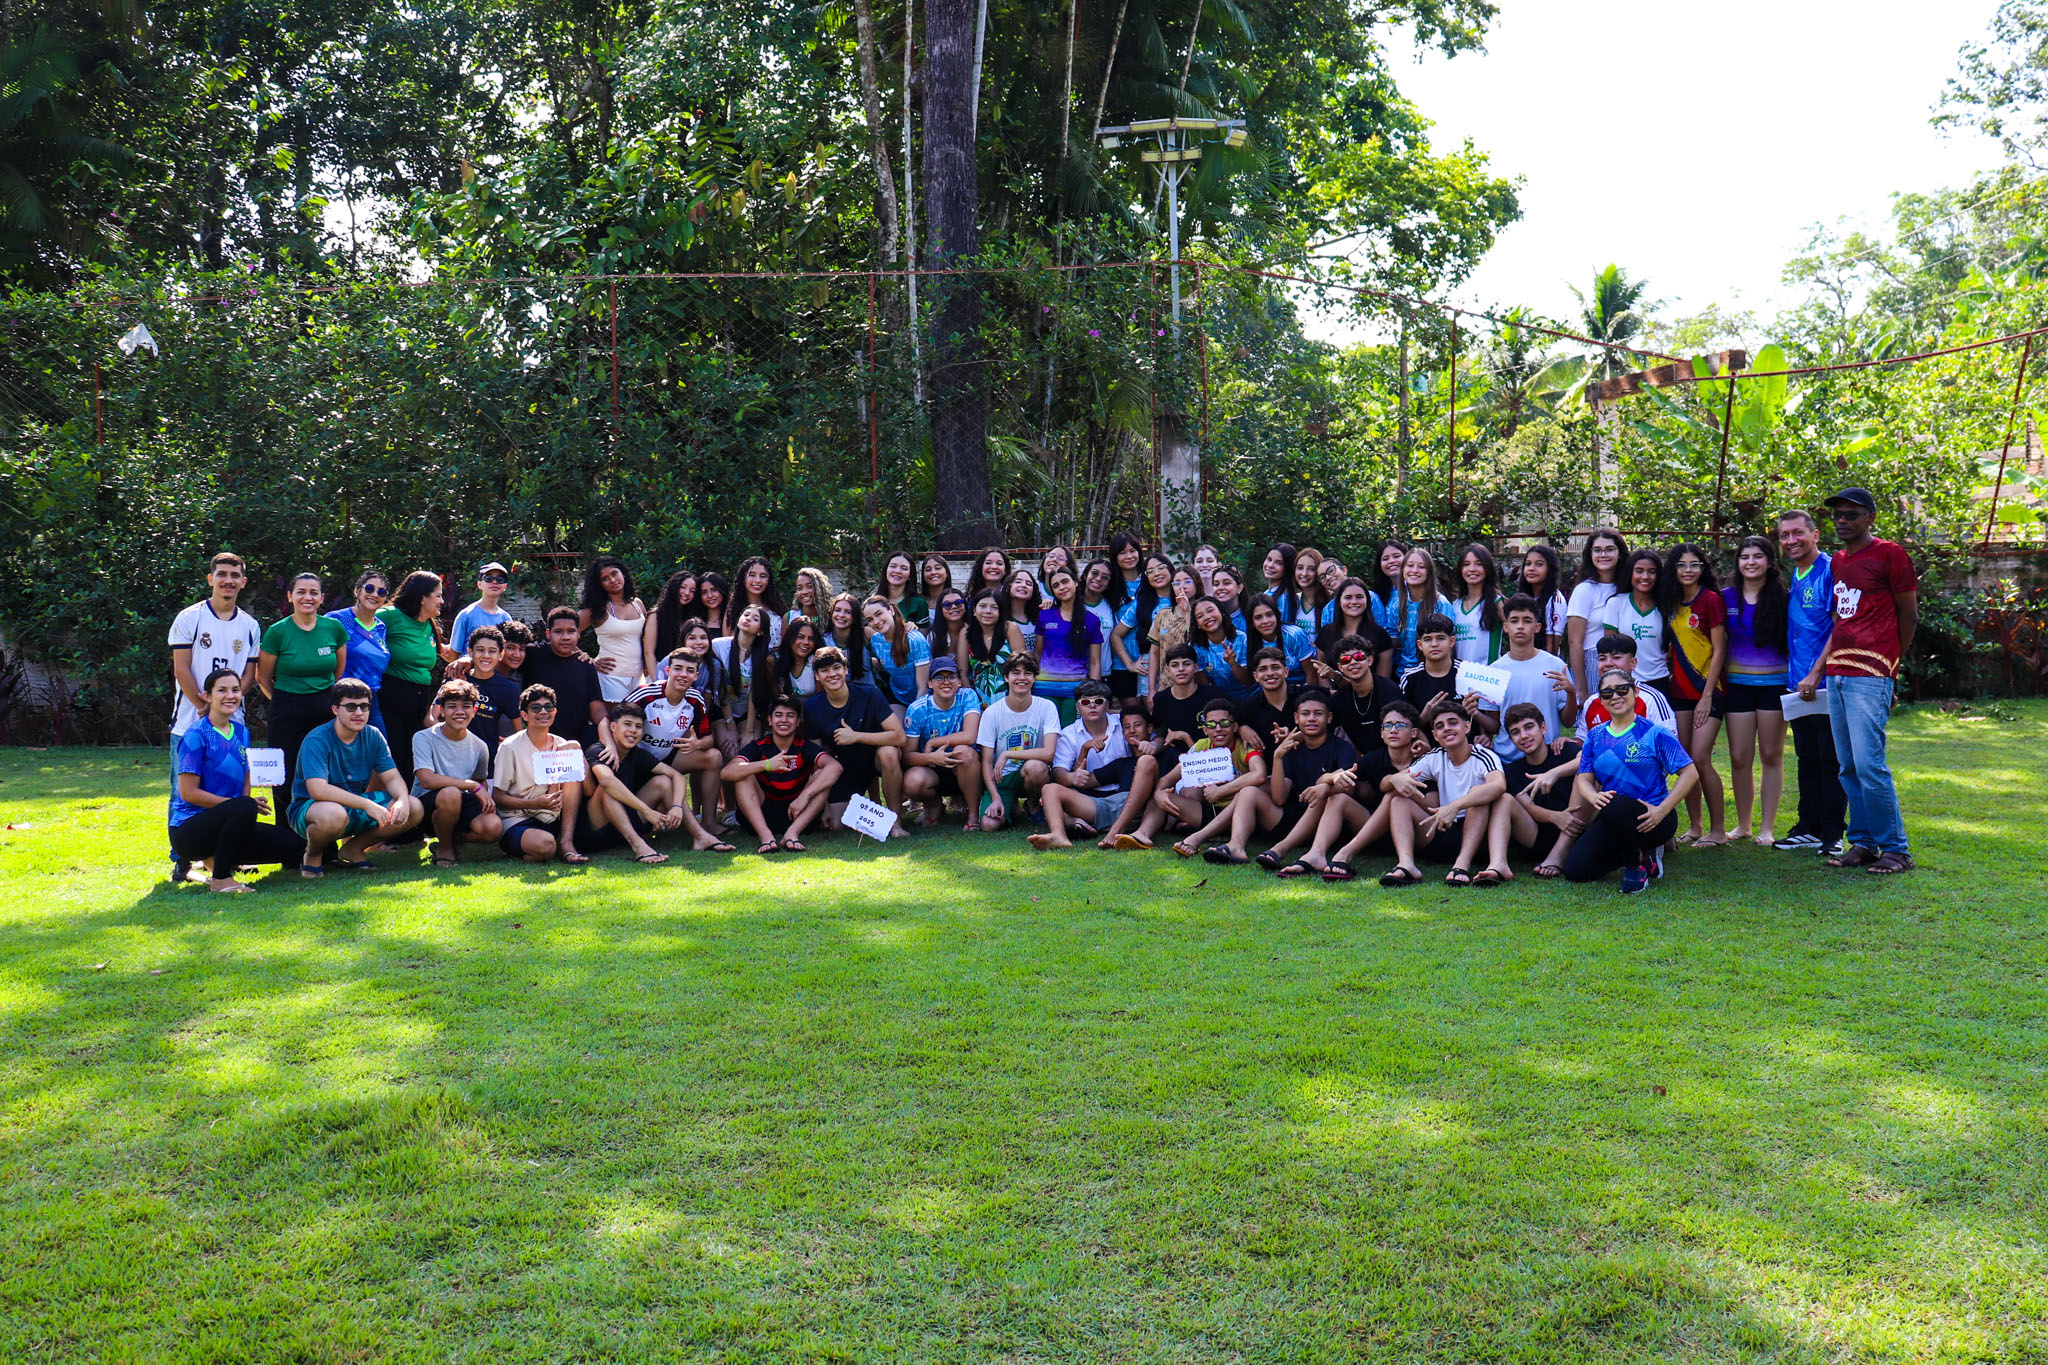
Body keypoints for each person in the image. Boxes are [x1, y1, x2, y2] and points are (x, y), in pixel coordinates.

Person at [1813, 487, 1919, 874]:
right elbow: (1842, 616)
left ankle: (1896, 850)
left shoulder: (1891, 554)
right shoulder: (1838, 561)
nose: (1842, 521)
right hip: (1838, 673)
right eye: (1837, 515)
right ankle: (1864, 842)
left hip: (1871, 674)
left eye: (1851, 514)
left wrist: (1890, 665)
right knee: (1847, 767)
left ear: (1870, 518)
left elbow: (1909, 615)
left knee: (1870, 764)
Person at [167, 668, 305, 891]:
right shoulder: (195, 736)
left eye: (235, 690)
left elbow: (246, 776)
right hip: (189, 831)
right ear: (207, 696)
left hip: (228, 821)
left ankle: (217, 858)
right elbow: (189, 793)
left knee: (294, 844)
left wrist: (243, 809)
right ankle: (221, 878)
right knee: (243, 805)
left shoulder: (242, 732)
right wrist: (239, 806)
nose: (230, 696)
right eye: (222, 690)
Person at [1564, 671, 1700, 892]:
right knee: (1576, 870)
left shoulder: (1655, 733)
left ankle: (1635, 868)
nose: (1615, 696)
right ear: (1601, 700)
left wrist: (1662, 810)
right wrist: (1593, 796)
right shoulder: (1595, 736)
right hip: (1613, 816)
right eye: (1607, 693)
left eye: (1622, 689)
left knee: (1615, 803)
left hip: (1654, 817)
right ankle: (1640, 854)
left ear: (1635, 691)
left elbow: (1690, 773)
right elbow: (1584, 777)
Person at [288, 678, 425, 875]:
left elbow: (392, 777)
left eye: (364, 706)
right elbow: (318, 790)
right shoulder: (317, 739)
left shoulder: (373, 735)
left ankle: (353, 849)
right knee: (334, 815)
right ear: (335, 709)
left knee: (414, 807)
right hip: (311, 808)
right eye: (351, 707)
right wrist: (367, 805)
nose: (359, 713)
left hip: (354, 804)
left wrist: (402, 799)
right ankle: (313, 855)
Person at [1208, 686, 1354, 868]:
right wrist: (1278, 756)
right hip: (1292, 820)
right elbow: (1279, 798)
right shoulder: (1291, 749)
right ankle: (1236, 846)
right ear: (1296, 718)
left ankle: (1281, 849)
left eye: (1318, 714)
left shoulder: (1341, 747)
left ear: (1329, 718)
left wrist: (1324, 783)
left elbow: (1347, 786)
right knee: (1248, 791)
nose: (1311, 719)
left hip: (1325, 824)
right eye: (1305, 714)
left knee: (1323, 794)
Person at [1774, 509, 1847, 855]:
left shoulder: (1830, 570)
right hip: (1798, 685)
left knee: (1830, 760)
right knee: (1807, 758)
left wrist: (1817, 671)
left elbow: (1840, 625)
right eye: (1784, 535)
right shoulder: (1796, 573)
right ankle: (1809, 827)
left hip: (1825, 683)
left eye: (1797, 533)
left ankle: (1833, 834)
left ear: (1815, 535)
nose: (1791, 540)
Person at [576, 703, 734, 862]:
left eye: (638, 726)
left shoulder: (638, 755)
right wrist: (646, 811)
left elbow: (676, 776)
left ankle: (700, 836)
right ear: (613, 727)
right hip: (593, 830)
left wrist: (676, 806)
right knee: (608, 789)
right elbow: (607, 781)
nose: (633, 730)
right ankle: (639, 847)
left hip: (624, 825)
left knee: (663, 782)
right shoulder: (598, 750)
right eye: (627, 724)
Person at [1289, 700, 1428, 880]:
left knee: (1395, 796)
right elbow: (1339, 777)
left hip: (1415, 834)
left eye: (1400, 725)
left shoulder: (1425, 761)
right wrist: (1326, 782)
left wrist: (1404, 788)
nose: (1393, 730)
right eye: (1387, 726)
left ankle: (1346, 853)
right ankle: (1316, 854)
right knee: (1338, 797)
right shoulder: (1374, 758)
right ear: (1382, 732)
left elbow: (1433, 805)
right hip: (1377, 833)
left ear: (1414, 732)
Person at [1380, 696, 1509, 888]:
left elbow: (1499, 785)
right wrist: (1394, 779)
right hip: (1439, 830)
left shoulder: (1483, 755)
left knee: (1479, 795)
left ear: (1466, 727)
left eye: (1453, 722)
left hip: (1476, 837)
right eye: (1440, 726)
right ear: (1434, 735)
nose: (1446, 728)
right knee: (1399, 800)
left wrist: (1455, 806)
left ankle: (1461, 865)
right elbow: (1384, 785)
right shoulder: (1434, 757)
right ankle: (1406, 864)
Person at [257, 572, 349, 811]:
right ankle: (285, 830)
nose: (307, 597)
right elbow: (262, 677)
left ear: (322, 598)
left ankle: (324, 828)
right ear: (290, 596)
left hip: (324, 708)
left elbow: (338, 671)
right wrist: (281, 701)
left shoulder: (334, 628)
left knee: (325, 771)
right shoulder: (277, 631)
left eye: (313, 593)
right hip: (286, 710)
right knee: (285, 775)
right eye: (301, 592)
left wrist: (322, 698)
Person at [1721, 536, 1790, 844]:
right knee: (1739, 757)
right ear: (1738, 562)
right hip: (1737, 686)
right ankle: (1744, 825)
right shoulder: (1725, 598)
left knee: (1771, 754)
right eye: (1745, 556)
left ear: (1769, 561)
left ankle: (1767, 828)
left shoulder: (1784, 598)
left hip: (1775, 685)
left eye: (1758, 556)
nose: (1751, 562)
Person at [1662, 543, 1729, 847]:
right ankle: (1696, 826)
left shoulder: (1711, 600)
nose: (1687, 570)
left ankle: (1718, 830)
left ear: (1703, 568)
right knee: (1684, 761)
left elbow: (1720, 650)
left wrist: (1707, 695)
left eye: (1694, 564)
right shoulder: (1671, 602)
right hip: (1679, 692)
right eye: (1681, 565)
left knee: (1701, 758)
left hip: (1709, 692)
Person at [804, 646, 907, 834]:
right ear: (817, 676)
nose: (832, 674)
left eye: (836, 668)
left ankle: (895, 822)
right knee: (836, 825)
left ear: (845, 670)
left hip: (876, 758)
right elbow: (818, 761)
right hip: (848, 766)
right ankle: (873, 812)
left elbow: (899, 736)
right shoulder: (812, 707)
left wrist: (856, 736)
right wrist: (824, 805)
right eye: (825, 670)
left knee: (889, 752)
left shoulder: (869, 694)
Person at [1146, 699, 1266, 857]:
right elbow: (1168, 779)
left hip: (1240, 815)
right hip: (1210, 812)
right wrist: (1159, 793)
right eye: (1211, 725)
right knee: (1158, 796)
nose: (1218, 729)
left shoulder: (1244, 745)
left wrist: (1220, 791)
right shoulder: (1201, 746)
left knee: (1247, 792)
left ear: (1235, 727)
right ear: (1205, 730)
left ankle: (1197, 838)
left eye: (1224, 723)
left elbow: (1260, 774)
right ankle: (1141, 835)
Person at [1028, 680, 1139, 850]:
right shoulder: (1068, 734)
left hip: (1125, 794)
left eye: (1098, 701)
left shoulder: (1124, 724)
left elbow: (1150, 740)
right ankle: (1059, 835)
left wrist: (1152, 744)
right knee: (1049, 790)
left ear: (1107, 705)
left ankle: (1077, 823)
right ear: (1078, 707)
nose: (1092, 706)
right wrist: (1072, 777)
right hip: (1088, 798)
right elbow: (1059, 772)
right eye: (1086, 702)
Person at [169, 551, 262, 749]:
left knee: (231, 771)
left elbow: (250, 674)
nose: (228, 580)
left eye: (235, 575)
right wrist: (205, 707)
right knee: (188, 771)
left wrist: (226, 703)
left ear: (243, 582)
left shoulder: (250, 626)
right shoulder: (189, 618)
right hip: (190, 721)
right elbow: (181, 669)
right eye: (222, 574)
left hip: (232, 723)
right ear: (210, 579)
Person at [724, 695, 840, 853]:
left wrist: (805, 795)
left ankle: (792, 834)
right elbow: (727, 772)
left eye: (790, 716)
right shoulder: (758, 746)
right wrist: (767, 764)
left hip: (797, 813)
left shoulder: (804, 746)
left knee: (822, 774)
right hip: (762, 814)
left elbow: (835, 767)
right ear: (770, 720)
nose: (784, 720)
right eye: (778, 715)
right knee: (743, 773)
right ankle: (766, 837)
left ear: (797, 722)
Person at [407, 680, 504, 866]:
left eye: (466, 706)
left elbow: (480, 781)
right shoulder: (423, 737)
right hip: (428, 805)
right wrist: (472, 785)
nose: (459, 712)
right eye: (452, 707)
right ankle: (445, 849)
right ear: (442, 711)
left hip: (462, 801)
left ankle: (450, 840)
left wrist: (484, 798)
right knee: (450, 793)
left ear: (474, 711)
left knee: (493, 827)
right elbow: (426, 780)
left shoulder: (480, 746)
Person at [491, 684, 590, 863]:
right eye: (536, 708)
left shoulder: (562, 744)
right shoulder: (509, 747)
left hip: (551, 817)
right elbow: (498, 797)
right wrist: (534, 803)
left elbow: (589, 789)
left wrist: (578, 752)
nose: (543, 712)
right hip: (517, 819)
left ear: (555, 712)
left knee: (570, 772)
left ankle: (566, 842)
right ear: (524, 715)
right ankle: (526, 846)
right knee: (546, 847)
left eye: (548, 707)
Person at [627, 650, 724, 819]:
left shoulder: (695, 699)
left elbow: (708, 738)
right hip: (637, 760)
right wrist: (611, 747)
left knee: (714, 756)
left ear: (696, 676)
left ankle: (709, 822)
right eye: (678, 668)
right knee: (644, 822)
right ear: (667, 671)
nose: (683, 674)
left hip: (667, 758)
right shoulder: (645, 694)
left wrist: (698, 744)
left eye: (690, 670)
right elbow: (611, 721)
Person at [378, 570, 453, 782]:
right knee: (394, 759)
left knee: (413, 763)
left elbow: (442, 653)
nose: (442, 601)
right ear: (422, 598)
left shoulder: (428, 625)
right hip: (391, 701)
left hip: (419, 704)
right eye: (438, 595)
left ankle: (410, 803)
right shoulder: (389, 616)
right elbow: (357, 630)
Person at [1480, 595, 1573, 762]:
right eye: (1514, 621)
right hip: (1508, 759)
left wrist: (1571, 694)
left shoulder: (1555, 665)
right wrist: (1473, 712)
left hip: (1548, 757)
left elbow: (1568, 721)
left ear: (1537, 627)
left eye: (1527, 620)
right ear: (1506, 626)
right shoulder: (1494, 671)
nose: (1520, 626)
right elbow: (1495, 725)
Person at [1498, 701, 1584, 879]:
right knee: (1505, 799)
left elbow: (1588, 759)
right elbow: (1529, 807)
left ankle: (1561, 852)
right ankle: (1498, 864)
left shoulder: (1563, 749)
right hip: (1537, 835)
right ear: (1511, 739)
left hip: (1575, 827)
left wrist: (1554, 773)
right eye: (1516, 732)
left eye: (1529, 727)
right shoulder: (1513, 771)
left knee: (1586, 773)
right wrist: (1556, 817)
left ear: (1543, 728)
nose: (1524, 736)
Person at [976, 653, 1060, 831]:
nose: (1022, 678)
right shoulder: (992, 713)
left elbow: (1049, 753)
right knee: (989, 825)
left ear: (1034, 678)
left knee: (1035, 767)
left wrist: (1007, 753)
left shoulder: (1047, 707)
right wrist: (995, 797)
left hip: (1032, 774)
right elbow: (987, 762)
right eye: (1015, 673)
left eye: (1028, 673)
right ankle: (1006, 804)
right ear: (1006, 677)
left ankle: (1032, 804)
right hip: (1002, 777)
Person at [900, 657, 983, 825]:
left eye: (951, 676)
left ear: (959, 681)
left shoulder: (968, 696)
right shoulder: (917, 709)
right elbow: (907, 755)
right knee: (912, 782)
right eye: (939, 677)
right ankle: (934, 804)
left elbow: (970, 736)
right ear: (930, 683)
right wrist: (931, 757)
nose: (946, 682)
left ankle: (973, 815)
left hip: (965, 767)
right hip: (932, 768)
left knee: (963, 752)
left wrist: (932, 743)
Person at [521, 607, 613, 752]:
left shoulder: (585, 666)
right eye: (558, 631)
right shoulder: (532, 655)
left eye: (571, 631)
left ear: (578, 633)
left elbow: (597, 710)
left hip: (577, 744)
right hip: (537, 743)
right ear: (548, 634)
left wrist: (609, 737)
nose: (565, 637)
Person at [1566, 529, 1628, 710]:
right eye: (1597, 550)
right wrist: (1582, 690)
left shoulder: (1628, 587)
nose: (1603, 555)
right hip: (1594, 663)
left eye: (1609, 549)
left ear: (1619, 553)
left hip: (1625, 662)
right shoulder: (1584, 590)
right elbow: (1575, 642)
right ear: (1590, 554)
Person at [1034, 566, 1103, 722]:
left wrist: (1093, 693)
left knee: (1069, 734)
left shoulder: (1091, 620)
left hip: (1075, 691)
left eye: (1065, 581)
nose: (1061, 587)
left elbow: (1095, 662)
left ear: (1076, 582)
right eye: (1056, 585)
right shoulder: (1045, 616)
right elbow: (1037, 654)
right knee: (1046, 733)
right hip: (1043, 690)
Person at [327, 571, 392, 731]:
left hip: (370, 700)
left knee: (379, 743)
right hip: (342, 698)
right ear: (357, 591)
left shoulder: (380, 627)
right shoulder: (335, 620)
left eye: (381, 592)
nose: (375, 594)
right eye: (369, 588)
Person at [1576, 634, 1678, 733]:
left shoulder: (1651, 699)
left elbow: (1668, 740)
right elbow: (1583, 739)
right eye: (1602, 659)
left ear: (1633, 663)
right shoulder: (1592, 701)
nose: (1608, 664)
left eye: (1616, 657)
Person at [1144, 643, 1223, 770]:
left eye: (1186, 664)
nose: (1181, 669)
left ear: (1196, 667)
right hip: (1175, 760)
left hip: (1212, 760)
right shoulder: (1161, 699)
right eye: (1175, 665)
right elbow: (1160, 733)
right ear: (1167, 670)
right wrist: (1154, 744)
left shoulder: (1213, 695)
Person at [579, 555, 647, 701]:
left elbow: (648, 638)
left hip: (640, 677)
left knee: (639, 716)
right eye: (605, 579)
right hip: (611, 677)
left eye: (614, 573)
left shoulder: (637, 604)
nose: (612, 580)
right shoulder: (596, 609)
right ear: (599, 585)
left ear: (623, 573)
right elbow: (566, 633)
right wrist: (590, 661)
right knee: (616, 716)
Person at [1325, 632, 1404, 757]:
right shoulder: (1339, 700)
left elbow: (1403, 730)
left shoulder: (1389, 691)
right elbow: (1322, 730)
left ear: (1370, 660)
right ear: (1340, 667)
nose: (1353, 662)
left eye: (1359, 657)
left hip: (1393, 756)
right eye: (1346, 660)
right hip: (1365, 760)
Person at [714, 603, 779, 747]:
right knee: (730, 749)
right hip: (722, 711)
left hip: (748, 714)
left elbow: (755, 693)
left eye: (755, 619)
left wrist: (748, 730)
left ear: (760, 631)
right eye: (746, 615)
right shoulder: (718, 646)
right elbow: (721, 689)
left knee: (748, 747)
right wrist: (731, 727)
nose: (748, 619)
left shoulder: (763, 655)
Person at [1112, 553, 1174, 698]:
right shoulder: (1141, 603)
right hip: (1150, 666)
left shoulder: (1183, 597)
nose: (1156, 574)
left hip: (1181, 663)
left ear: (1170, 569)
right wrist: (1130, 664)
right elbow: (1116, 635)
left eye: (1161, 568)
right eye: (1150, 571)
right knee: (1153, 709)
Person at [463, 625, 522, 764]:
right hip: (453, 755)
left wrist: (509, 744)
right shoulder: (458, 678)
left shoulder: (507, 689)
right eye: (480, 650)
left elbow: (519, 731)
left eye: (492, 651)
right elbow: (431, 718)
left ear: (500, 655)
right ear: (470, 651)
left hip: (487, 760)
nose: (486, 655)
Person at [863, 596, 932, 712]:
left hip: (923, 699)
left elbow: (923, 687)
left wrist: (913, 714)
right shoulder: (876, 641)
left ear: (891, 610)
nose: (876, 622)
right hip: (897, 696)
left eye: (879, 614)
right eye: (870, 619)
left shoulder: (915, 640)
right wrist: (865, 661)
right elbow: (886, 665)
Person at [1383, 547, 1441, 677]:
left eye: (1421, 567)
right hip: (1403, 674)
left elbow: (1447, 645)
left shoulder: (1440, 604)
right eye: (1410, 565)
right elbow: (1391, 641)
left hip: (1432, 673)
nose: (1414, 570)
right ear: (1403, 569)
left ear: (1429, 572)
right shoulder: (1396, 604)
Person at [1240, 595, 1315, 688]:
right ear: (1251, 622)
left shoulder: (1294, 635)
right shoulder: (1248, 643)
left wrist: (1305, 694)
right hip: (1270, 690)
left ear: (1277, 615)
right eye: (1258, 617)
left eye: (1269, 614)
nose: (1265, 621)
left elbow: (1311, 673)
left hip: (1302, 688)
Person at [1448, 544, 1505, 664]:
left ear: (1487, 568)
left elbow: (1517, 634)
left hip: (1489, 673)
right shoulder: (1455, 606)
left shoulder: (1497, 602)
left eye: (1479, 564)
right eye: (1466, 564)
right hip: (1461, 673)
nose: (1472, 569)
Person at [961, 589, 1021, 702]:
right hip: (978, 700)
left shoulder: (1010, 628)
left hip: (1011, 699)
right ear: (974, 610)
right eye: (983, 606)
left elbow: (1022, 668)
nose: (988, 611)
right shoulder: (966, 632)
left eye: (994, 607)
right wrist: (973, 703)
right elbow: (962, 673)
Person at [1235, 646, 1297, 753]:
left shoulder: (1306, 697)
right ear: (1256, 676)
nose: (1270, 673)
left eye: (1275, 667)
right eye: (1263, 669)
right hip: (1269, 762)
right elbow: (1232, 724)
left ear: (1286, 671)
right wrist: (1241, 728)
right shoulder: (1248, 707)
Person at [644, 570, 703, 680]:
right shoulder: (656, 614)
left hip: (685, 676)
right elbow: (649, 652)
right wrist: (656, 681)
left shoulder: (692, 618)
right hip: (659, 673)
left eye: (692, 591)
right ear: (674, 587)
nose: (687, 593)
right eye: (683, 587)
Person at [1399, 613, 1461, 714]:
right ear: (1420, 645)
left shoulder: (1466, 673)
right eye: (1427, 639)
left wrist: (1474, 713)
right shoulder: (1410, 678)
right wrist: (1424, 716)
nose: (1434, 644)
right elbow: (1404, 721)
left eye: (1440, 638)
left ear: (1451, 641)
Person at [1189, 596, 1249, 702]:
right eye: (1200, 616)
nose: (1207, 617)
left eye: (1210, 610)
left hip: (1249, 697)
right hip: (1219, 700)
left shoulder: (1242, 639)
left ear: (1221, 612)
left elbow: (1247, 680)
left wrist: (1233, 663)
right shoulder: (1195, 648)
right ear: (1197, 624)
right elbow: (1204, 687)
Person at [1515, 543, 1570, 656]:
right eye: (1528, 564)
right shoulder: (1522, 597)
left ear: (1550, 569)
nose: (1531, 568)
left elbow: (1552, 646)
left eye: (1539, 564)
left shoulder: (1555, 600)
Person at [450, 562, 514, 653]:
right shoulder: (466, 615)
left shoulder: (506, 618)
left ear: (505, 586)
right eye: (489, 579)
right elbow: (454, 652)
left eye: (500, 579)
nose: (494, 582)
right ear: (479, 584)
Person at [726, 555, 787, 648]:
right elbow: (728, 645)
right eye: (752, 575)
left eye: (763, 576)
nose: (758, 580)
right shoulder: (733, 610)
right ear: (743, 578)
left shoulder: (778, 608)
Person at [776, 616, 823, 699]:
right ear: (790, 637)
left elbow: (819, 699)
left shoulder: (817, 661)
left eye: (811, 639)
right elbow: (776, 699)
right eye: (800, 637)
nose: (806, 642)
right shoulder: (774, 660)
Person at [925, 588, 969, 667]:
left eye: (958, 602)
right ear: (940, 609)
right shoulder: (933, 636)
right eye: (947, 605)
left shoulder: (974, 631)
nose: (954, 607)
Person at [1004, 568, 1044, 650]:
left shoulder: (1040, 617)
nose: (1023, 585)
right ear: (1008, 586)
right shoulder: (1000, 618)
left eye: (1028, 584)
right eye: (1018, 582)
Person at [787, 566, 833, 632]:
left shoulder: (832, 617)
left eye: (810, 587)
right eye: (799, 588)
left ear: (820, 588)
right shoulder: (790, 617)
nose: (804, 592)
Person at [918, 553, 956, 627]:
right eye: (928, 570)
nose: (933, 572)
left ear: (947, 573)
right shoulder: (917, 602)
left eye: (938, 568)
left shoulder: (956, 600)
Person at [697, 571, 730, 639]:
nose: (709, 595)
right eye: (704, 592)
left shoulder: (732, 619)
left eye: (714, 590)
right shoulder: (696, 621)